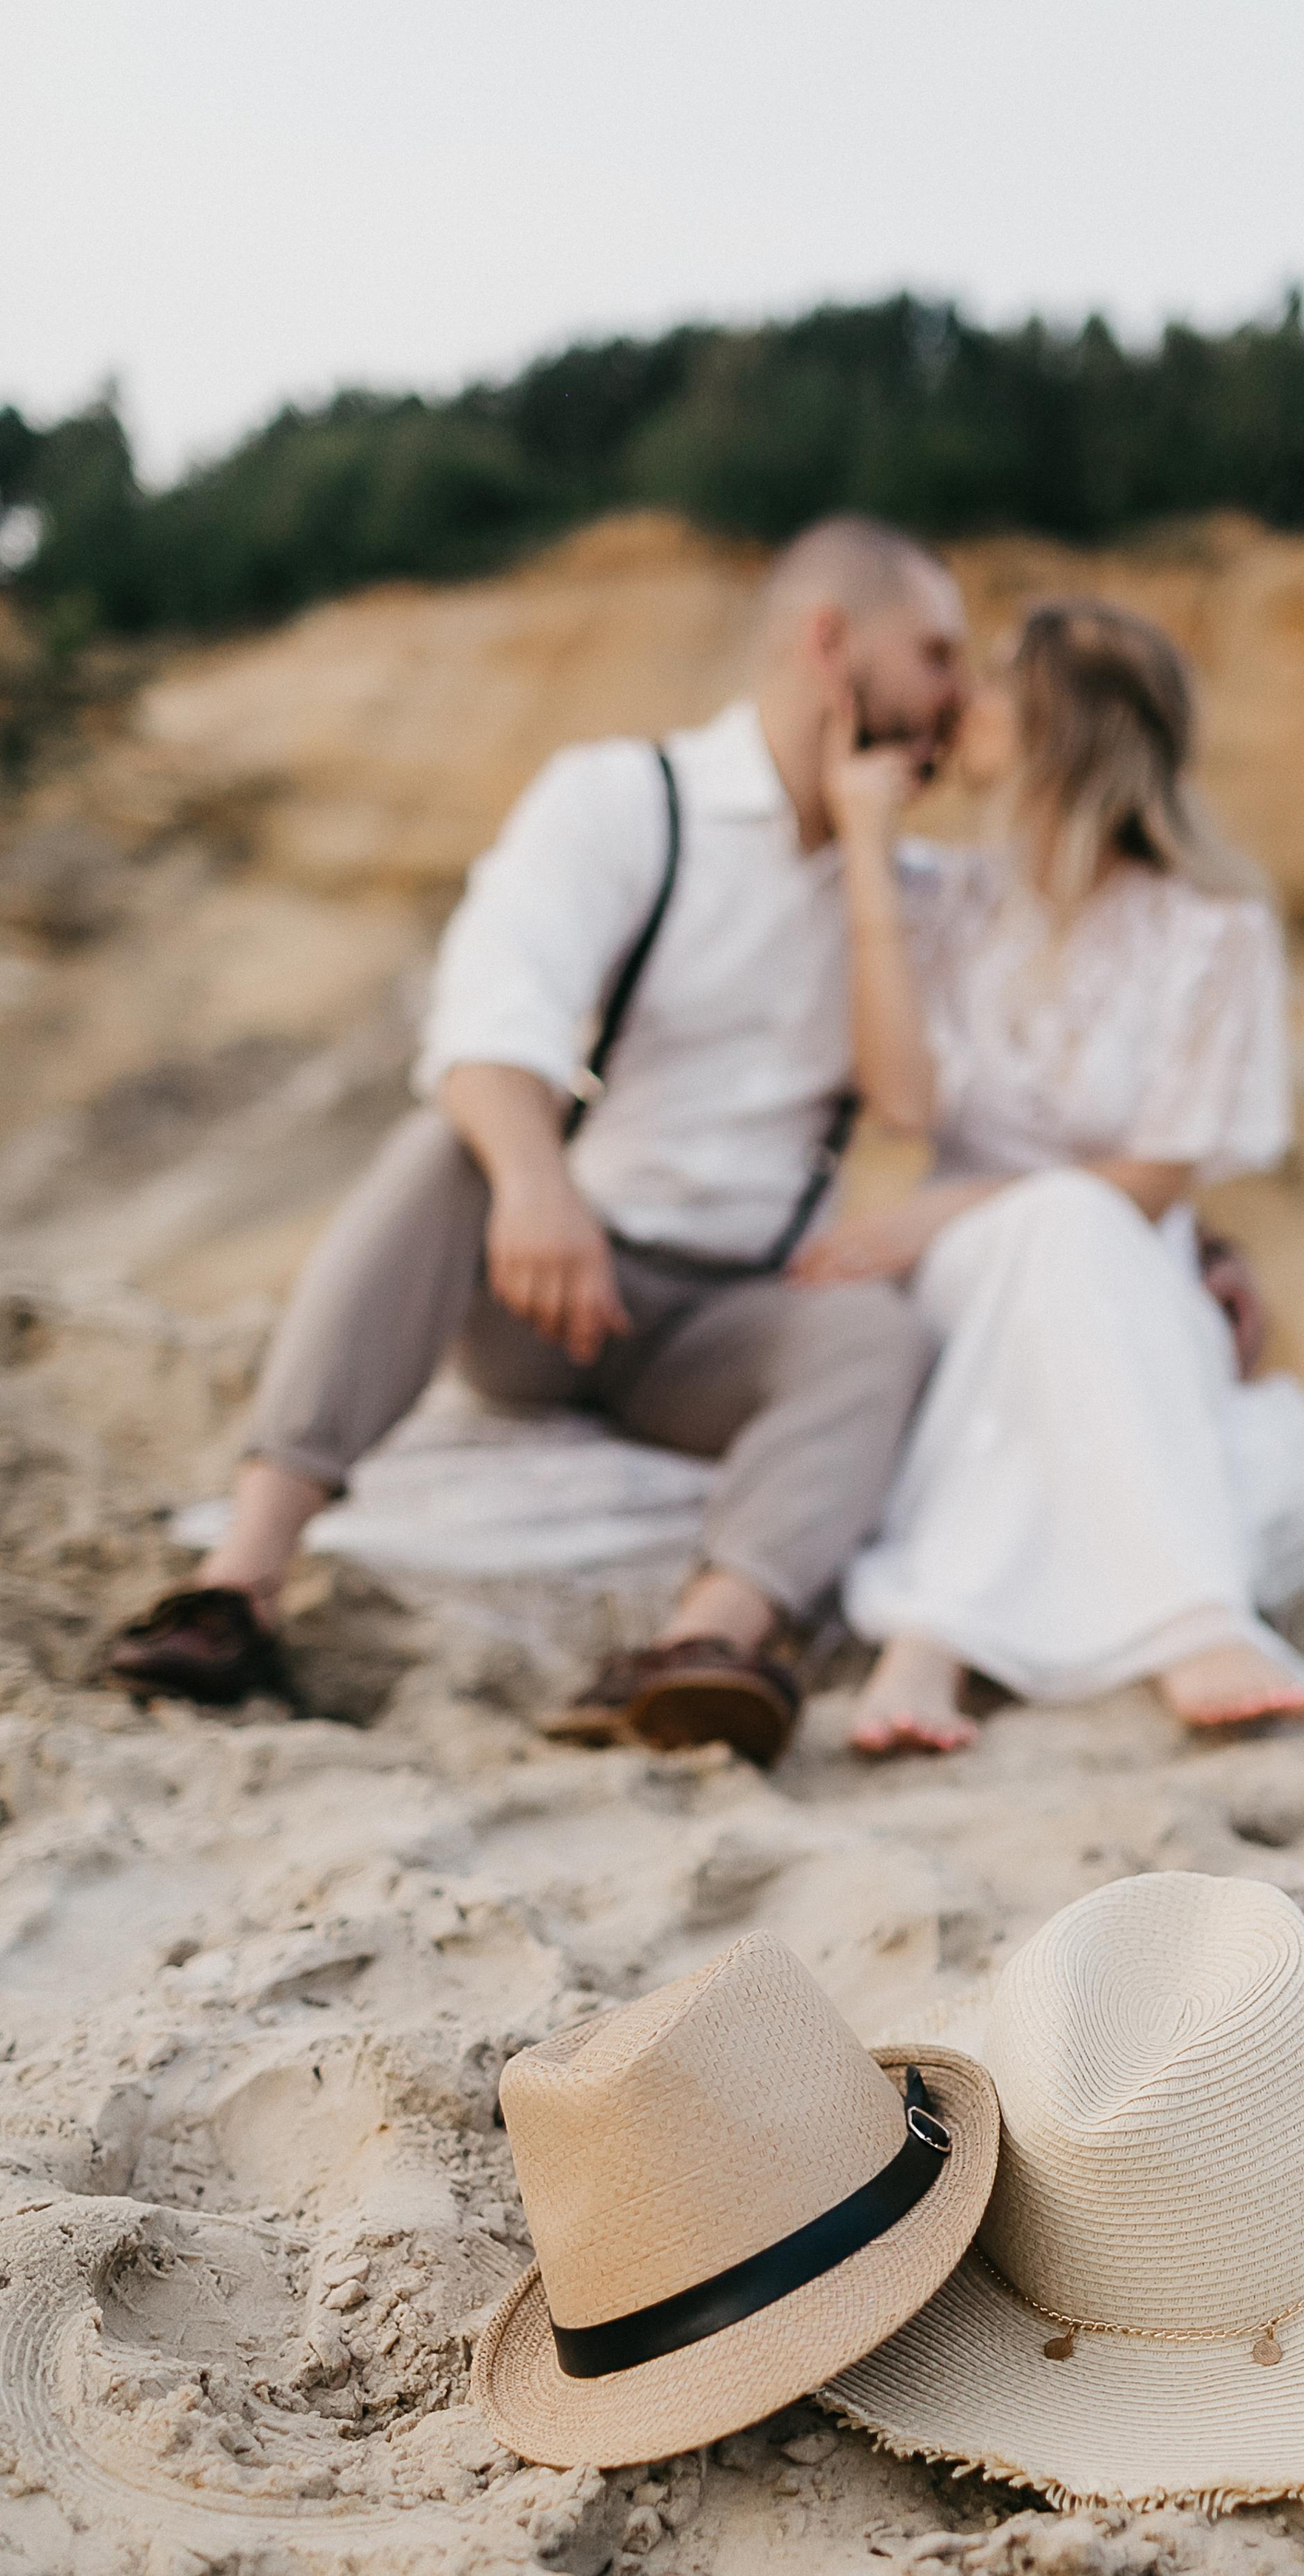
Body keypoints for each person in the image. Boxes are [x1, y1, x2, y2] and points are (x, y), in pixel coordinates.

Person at [105, 518, 969, 1767]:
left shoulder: (918, 890)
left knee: (875, 1332)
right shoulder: (628, 798)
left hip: (730, 1324)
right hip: (553, 1284)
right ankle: (238, 1585)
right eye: (936, 653)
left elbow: (978, 1107)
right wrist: (534, 1180)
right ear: (830, 643)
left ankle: (704, 1648)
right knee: (445, 1146)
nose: (962, 694)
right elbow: (488, 1011)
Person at [795, 598, 1304, 1755]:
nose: (964, 708)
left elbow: (1155, 1179)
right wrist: (870, 852)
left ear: (1058, 734)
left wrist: (952, 1203)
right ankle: (1192, 1622)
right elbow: (903, 1103)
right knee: (1050, 1243)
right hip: (960, 1272)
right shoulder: (948, 899)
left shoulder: (1213, 928)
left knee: (1072, 1232)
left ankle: (929, 1640)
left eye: (994, 689)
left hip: (1117, 1252)